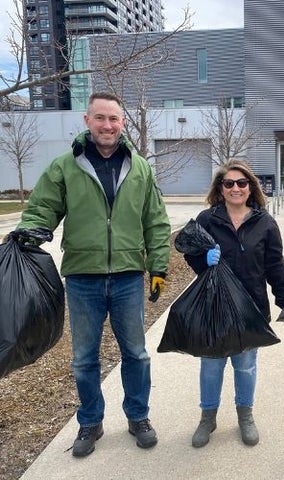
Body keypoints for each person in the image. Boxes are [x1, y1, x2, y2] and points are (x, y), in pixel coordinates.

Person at [16, 92, 171, 457]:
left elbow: (156, 220)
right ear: (87, 121)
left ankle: (138, 416)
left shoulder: (140, 167)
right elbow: (42, 207)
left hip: (128, 277)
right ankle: (90, 421)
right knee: (84, 358)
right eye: (100, 118)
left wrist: (159, 267)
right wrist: (32, 229)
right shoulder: (65, 166)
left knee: (136, 353)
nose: (107, 125)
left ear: (123, 122)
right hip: (83, 278)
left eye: (114, 118)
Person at [184, 159, 284, 448]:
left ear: (250, 187)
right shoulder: (207, 220)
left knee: (245, 366)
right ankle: (208, 417)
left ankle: (245, 415)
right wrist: (201, 261)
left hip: (251, 308)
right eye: (229, 183)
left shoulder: (265, 223)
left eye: (241, 183)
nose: (235, 188)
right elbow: (190, 252)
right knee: (211, 365)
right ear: (220, 189)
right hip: (214, 306)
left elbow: (274, 266)